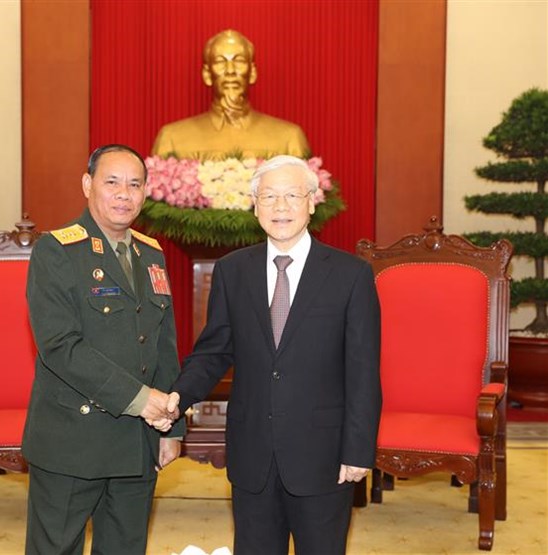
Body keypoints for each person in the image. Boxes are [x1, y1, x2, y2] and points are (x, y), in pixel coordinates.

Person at [162, 155, 381, 555]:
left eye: (292, 195)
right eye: (269, 197)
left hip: (325, 456)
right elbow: (214, 350)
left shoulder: (351, 275)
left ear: (312, 202)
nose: (281, 207)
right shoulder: (232, 270)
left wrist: (358, 450)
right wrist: (178, 397)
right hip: (252, 454)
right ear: (254, 204)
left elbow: (363, 371)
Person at [22, 144, 185, 555]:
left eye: (134, 184)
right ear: (87, 184)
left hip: (137, 441)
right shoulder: (56, 251)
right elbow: (60, 347)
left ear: (146, 192)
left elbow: (164, 346)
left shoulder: (151, 254)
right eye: (111, 182)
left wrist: (172, 427)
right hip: (73, 441)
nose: (123, 194)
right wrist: (140, 399)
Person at [151, 30, 311, 160]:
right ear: (207, 74)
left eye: (239, 61)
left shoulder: (289, 138)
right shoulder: (172, 138)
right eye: (220, 62)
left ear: (253, 72)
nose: (230, 71)